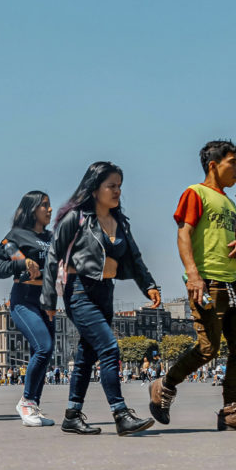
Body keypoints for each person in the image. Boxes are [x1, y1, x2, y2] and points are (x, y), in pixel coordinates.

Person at [150, 140, 236, 431]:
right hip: (207, 283)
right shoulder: (195, 193)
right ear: (214, 165)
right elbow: (184, 234)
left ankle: (231, 410)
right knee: (208, 348)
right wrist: (193, 274)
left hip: (231, 282)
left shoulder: (229, 204)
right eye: (233, 163)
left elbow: (234, 238)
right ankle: (165, 384)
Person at [46, 163, 160, 436]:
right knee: (109, 348)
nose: (117, 191)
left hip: (105, 293)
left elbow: (135, 258)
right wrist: (48, 302)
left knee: (87, 355)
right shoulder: (76, 218)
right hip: (79, 292)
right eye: (111, 186)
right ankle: (121, 414)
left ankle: (72, 415)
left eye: (119, 186)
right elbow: (52, 256)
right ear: (95, 189)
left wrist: (149, 286)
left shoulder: (120, 222)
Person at [0, 191, 57, 427]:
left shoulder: (51, 237)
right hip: (24, 299)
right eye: (44, 205)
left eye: (50, 205)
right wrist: (22, 263)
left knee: (44, 353)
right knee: (43, 347)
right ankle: (26, 401)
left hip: (47, 300)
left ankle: (33, 407)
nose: (50, 209)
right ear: (32, 209)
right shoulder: (16, 236)